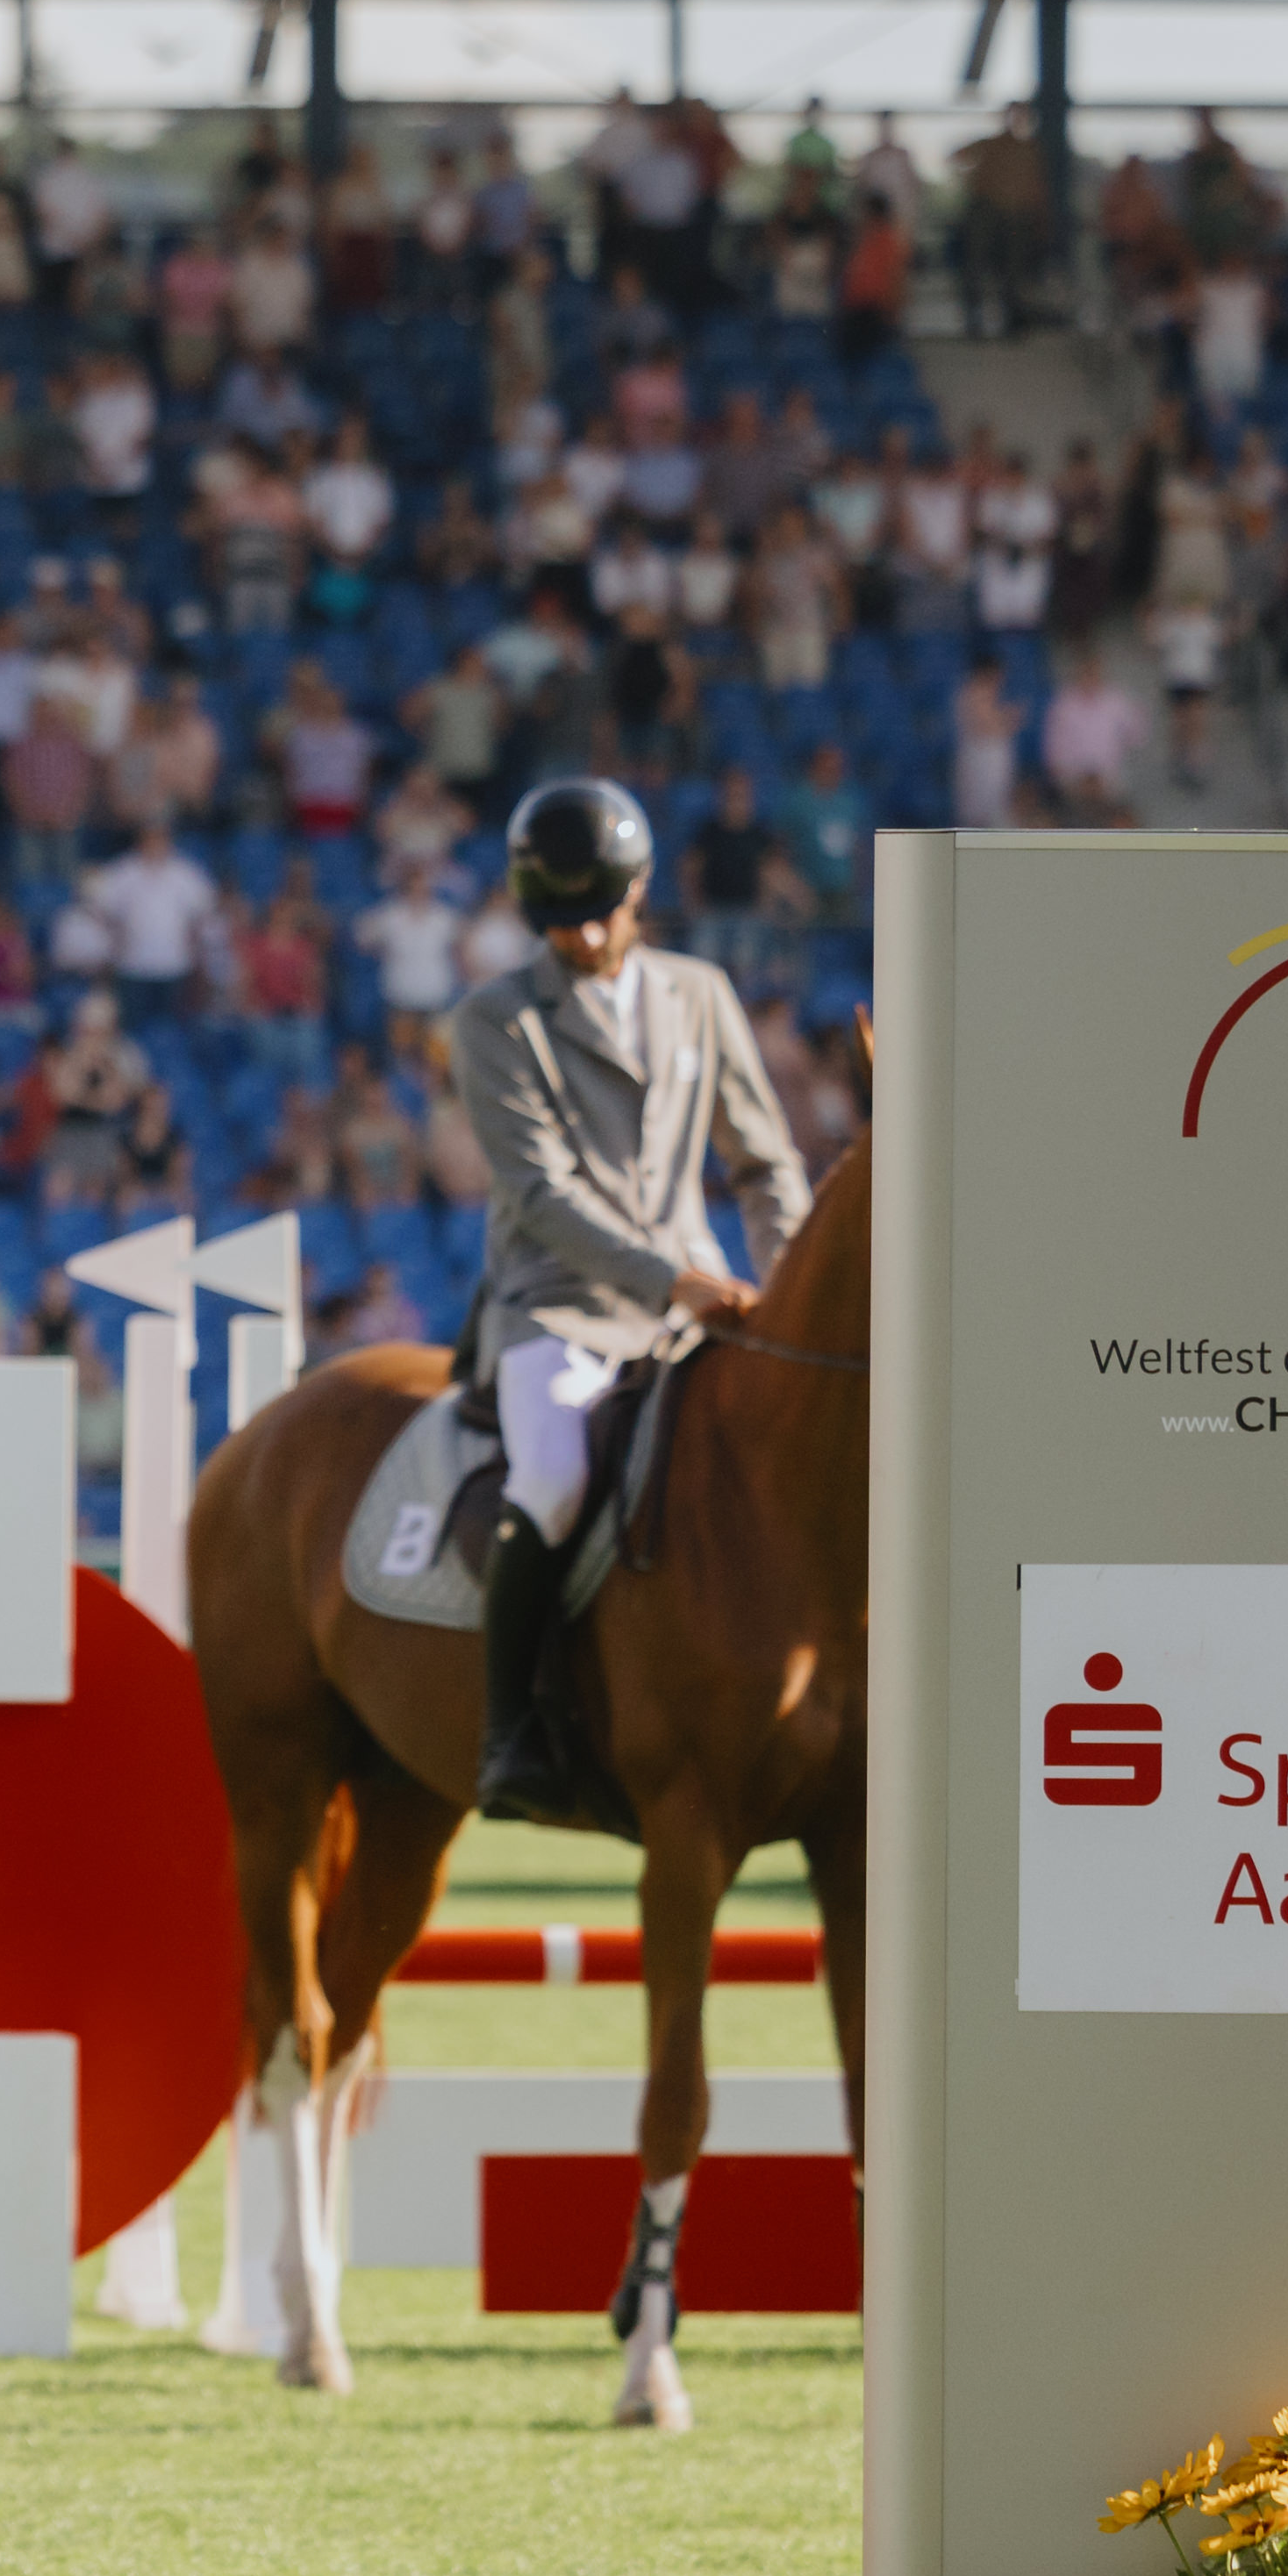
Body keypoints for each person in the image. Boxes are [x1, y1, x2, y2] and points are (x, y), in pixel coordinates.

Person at [450, 777, 813, 1843]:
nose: (587, 934)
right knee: (556, 1477)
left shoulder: (698, 993)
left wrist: (783, 1286)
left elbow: (763, 1159)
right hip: (559, 1306)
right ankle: (509, 1725)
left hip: (702, 1304)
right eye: (562, 920)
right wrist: (669, 1280)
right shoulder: (492, 1020)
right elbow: (540, 1194)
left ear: (641, 889)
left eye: (604, 911)